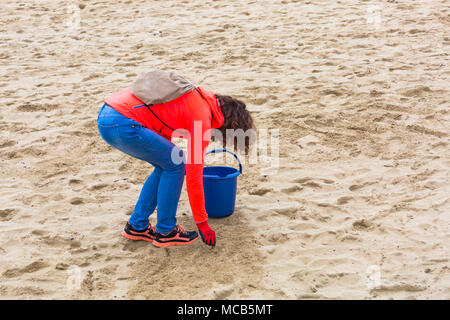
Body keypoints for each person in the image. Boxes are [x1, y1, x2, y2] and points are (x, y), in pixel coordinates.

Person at [97, 70, 254, 248]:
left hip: (107, 116)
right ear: (229, 125)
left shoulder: (195, 98)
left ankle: (137, 225)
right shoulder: (202, 117)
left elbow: (160, 121)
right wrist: (202, 223)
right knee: (176, 163)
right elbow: (194, 178)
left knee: (166, 164)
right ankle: (166, 231)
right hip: (124, 122)